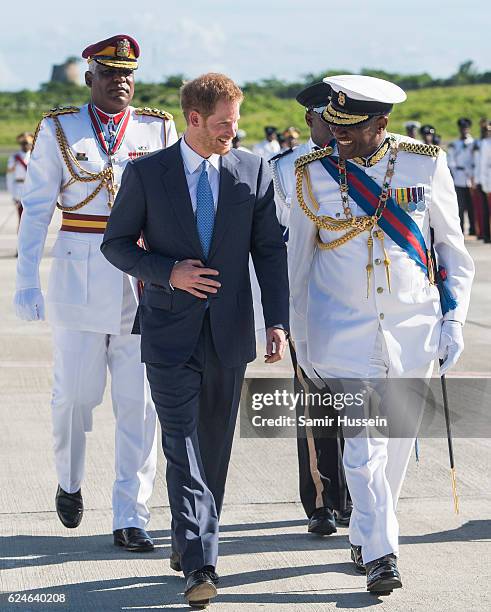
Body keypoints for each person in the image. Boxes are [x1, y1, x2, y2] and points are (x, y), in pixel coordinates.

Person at [101, 73, 289, 607]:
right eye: (226, 122)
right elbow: (115, 245)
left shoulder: (252, 170)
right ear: (194, 119)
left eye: (238, 120)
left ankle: (188, 542)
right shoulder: (146, 173)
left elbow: (269, 252)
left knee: (214, 449)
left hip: (230, 333)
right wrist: (167, 272)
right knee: (181, 447)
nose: (236, 130)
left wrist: (277, 321)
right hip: (167, 332)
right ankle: (202, 563)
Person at [288, 74, 474, 593]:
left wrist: (453, 319)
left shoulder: (423, 162)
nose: (338, 136)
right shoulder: (311, 173)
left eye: (352, 128)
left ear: (382, 124)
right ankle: (382, 554)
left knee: (395, 444)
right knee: (361, 445)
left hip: (411, 327)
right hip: (341, 330)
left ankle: (369, 531)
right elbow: (296, 264)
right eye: (335, 125)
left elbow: (453, 253)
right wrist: (300, 336)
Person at [14, 35, 178, 551]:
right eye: (109, 72)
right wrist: (25, 280)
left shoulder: (157, 128)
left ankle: (132, 515)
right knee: (74, 400)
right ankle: (69, 479)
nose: (119, 81)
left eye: (127, 73)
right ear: (90, 78)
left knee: (140, 406)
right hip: (79, 280)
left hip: (142, 284)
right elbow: (37, 208)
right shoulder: (60, 128)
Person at [270, 81, 352, 535]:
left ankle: (358, 499)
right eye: (329, 119)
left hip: (357, 302)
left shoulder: (364, 165)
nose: (338, 128)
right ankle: (322, 501)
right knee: (315, 404)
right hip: (307, 302)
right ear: (309, 120)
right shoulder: (282, 170)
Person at [447, 118, 475, 235]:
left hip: (471, 177)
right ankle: (461, 229)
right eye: (462, 128)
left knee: (471, 205)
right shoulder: (455, 144)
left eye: (466, 128)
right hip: (459, 176)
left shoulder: (473, 143)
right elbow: (451, 160)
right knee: (460, 205)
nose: (464, 130)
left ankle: (473, 229)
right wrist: (453, 173)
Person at [6, 132, 33, 231]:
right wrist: (13, 194)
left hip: (31, 189)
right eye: (24, 143)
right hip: (19, 188)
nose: (26, 146)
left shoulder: (35, 157)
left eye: (28, 143)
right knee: (21, 218)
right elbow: (10, 177)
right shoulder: (14, 158)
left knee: (31, 219)